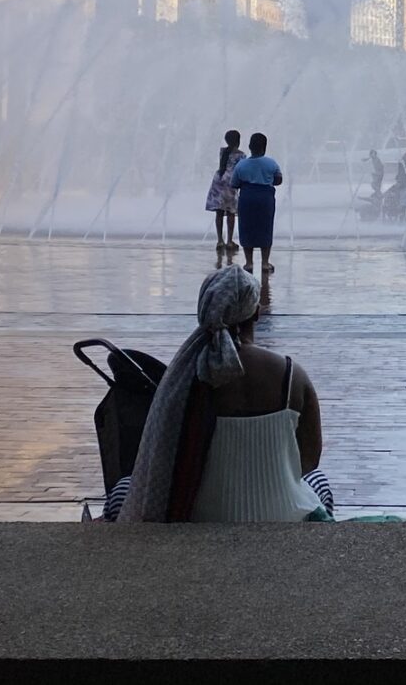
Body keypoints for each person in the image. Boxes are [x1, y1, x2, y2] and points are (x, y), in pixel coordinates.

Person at [107, 266, 333, 523]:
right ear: (256, 313)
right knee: (319, 481)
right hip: (284, 515)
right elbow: (310, 461)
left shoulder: (185, 378)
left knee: (122, 490)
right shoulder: (293, 375)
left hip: (197, 517)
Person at [233, 133, 285, 274]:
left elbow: (234, 183)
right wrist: (268, 180)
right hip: (265, 198)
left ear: (250, 147)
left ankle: (249, 263)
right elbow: (279, 179)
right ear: (265, 147)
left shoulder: (241, 165)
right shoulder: (271, 163)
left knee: (246, 228)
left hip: (247, 198)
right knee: (265, 228)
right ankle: (265, 263)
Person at [205, 130, 245, 251]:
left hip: (219, 180)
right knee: (231, 213)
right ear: (238, 141)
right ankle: (229, 241)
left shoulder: (223, 152)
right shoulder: (241, 155)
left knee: (219, 212)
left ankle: (220, 241)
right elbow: (241, 170)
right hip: (231, 182)